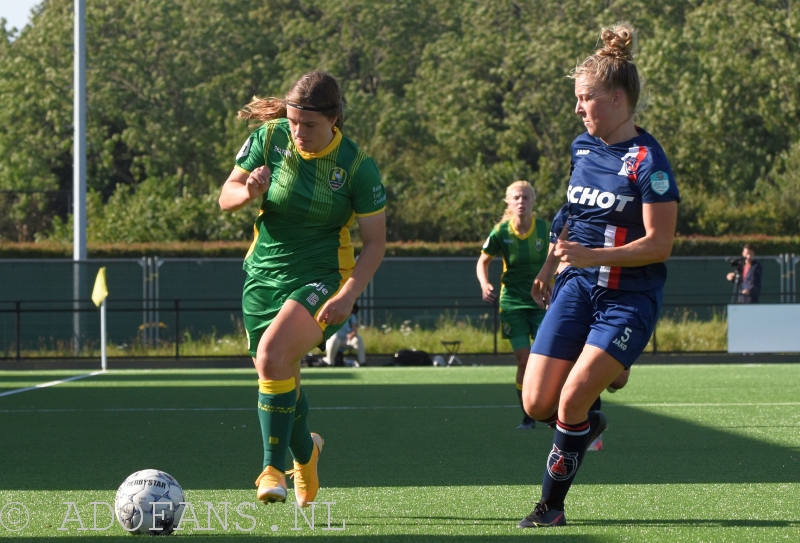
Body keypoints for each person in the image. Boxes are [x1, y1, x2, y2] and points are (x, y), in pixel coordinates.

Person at [518, 22, 680, 528]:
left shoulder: (649, 163)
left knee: (570, 398)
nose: (578, 107)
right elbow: (570, 215)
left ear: (615, 99)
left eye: (585, 98)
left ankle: (550, 507)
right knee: (535, 399)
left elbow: (660, 244)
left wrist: (594, 259)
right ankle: (586, 419)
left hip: (628, 297)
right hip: (576, 288)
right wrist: (551, 263)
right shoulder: (581, 149)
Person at [218, 71, 386, 508]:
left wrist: (349, 293)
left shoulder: (355, 166)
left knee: (273, 355)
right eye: (293, 122)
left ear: (334, 120)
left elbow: (376, 243)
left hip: (323, 278)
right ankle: (306, 454)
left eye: (308, 125)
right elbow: (226, 195)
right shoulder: (269, 137)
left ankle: (271, 469)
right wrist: (248, 191)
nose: (298, 133)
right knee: (278, 373)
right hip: (262, 274)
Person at [477, 181, 550, 430]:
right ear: (508, 203)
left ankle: (553, 411)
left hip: (541, 302)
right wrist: (484, 283)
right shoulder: (501, 232)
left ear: (533, 201)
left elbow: (557, 258)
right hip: (512, 304)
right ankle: (528, 415)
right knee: (524, 359)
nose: (521, 201)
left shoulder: (544, 230)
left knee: (547, 359)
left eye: (526, 197)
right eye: (516, 198)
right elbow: (482, 261)